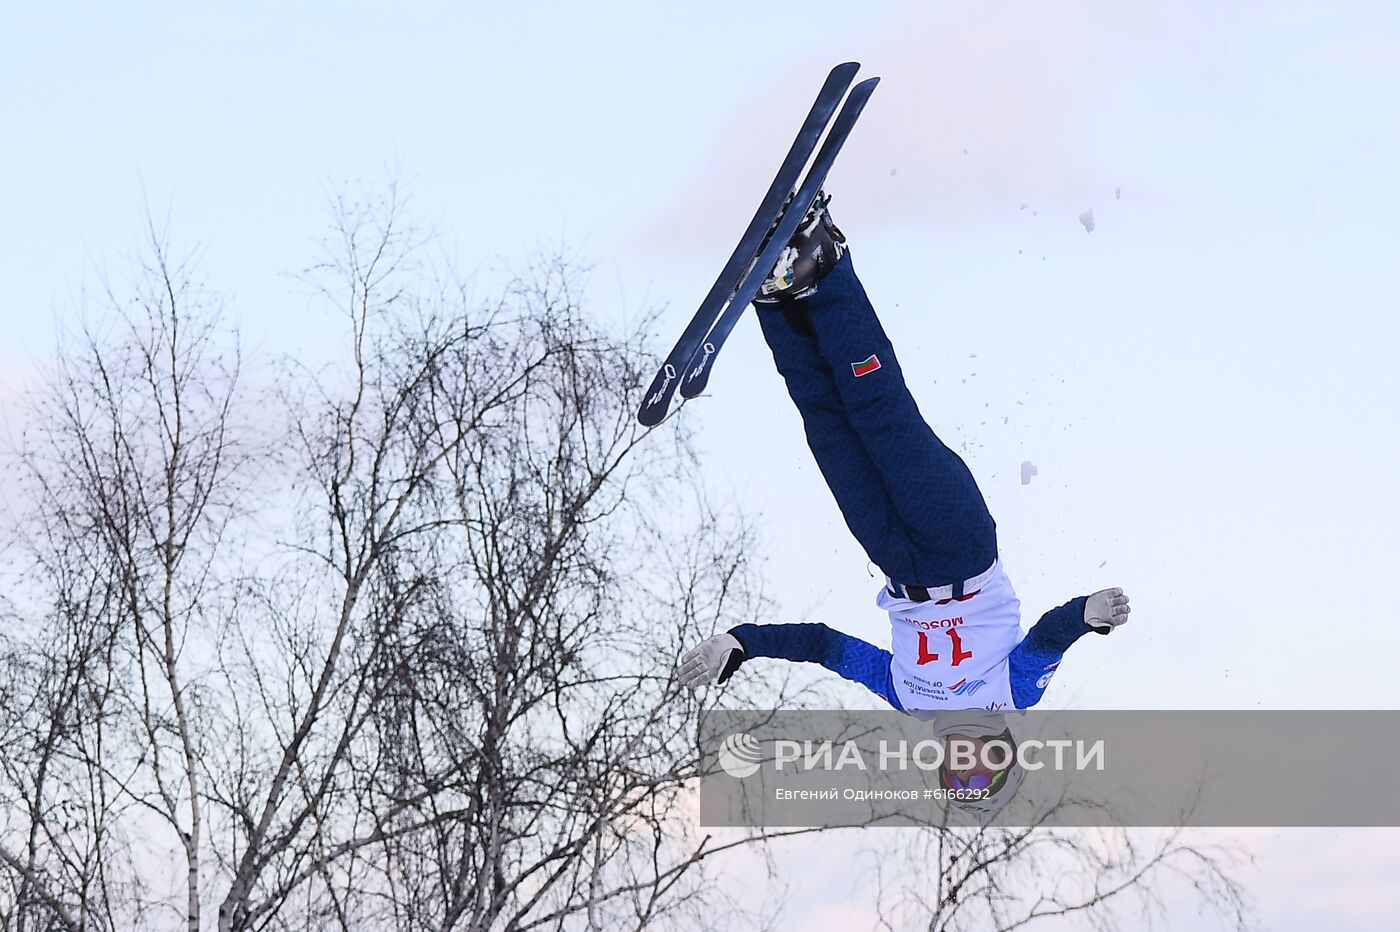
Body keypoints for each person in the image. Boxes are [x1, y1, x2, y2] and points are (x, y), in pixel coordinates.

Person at [678, 192, 1131, 713]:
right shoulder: (1014, 695)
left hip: (894, 558)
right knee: (878, 412)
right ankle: (823, 262)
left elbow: (827, 647)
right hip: (960, 546)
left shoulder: (909, 699)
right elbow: (1047, 638)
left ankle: (776, 298)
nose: (966, 753)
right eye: (984, 757)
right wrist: (1084, 616)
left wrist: (743, 642)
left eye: (956, 761)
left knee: (828, 428)